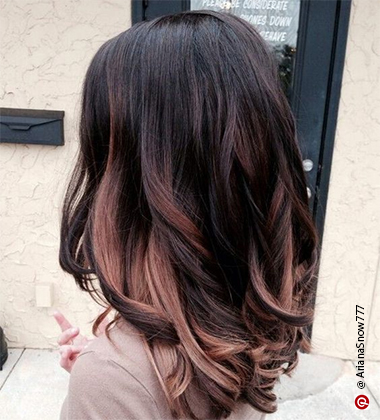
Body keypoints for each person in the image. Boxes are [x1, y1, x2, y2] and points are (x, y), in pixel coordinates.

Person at [56, 9, 320, 420]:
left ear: (123, 183)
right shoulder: (253, 310)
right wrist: (118, 386)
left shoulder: (114, 376)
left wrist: (113, 383)